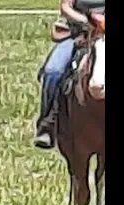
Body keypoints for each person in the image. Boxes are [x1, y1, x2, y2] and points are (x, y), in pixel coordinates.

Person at [33, 0, 105, 149]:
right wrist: (86, 20)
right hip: (77, 33)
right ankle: (48, 124)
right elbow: (65, 7)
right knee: (52, 72)